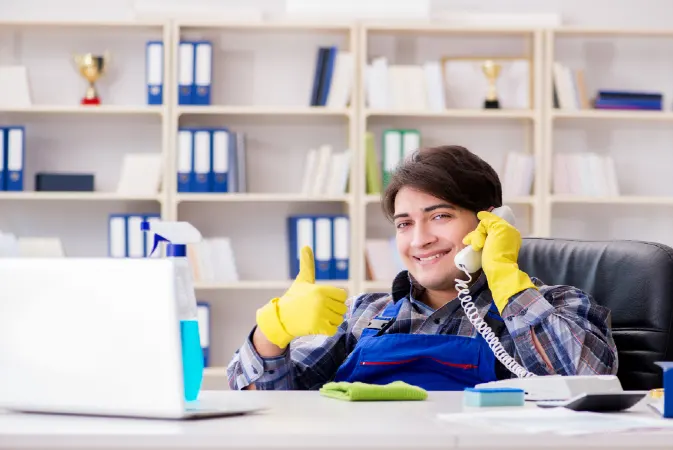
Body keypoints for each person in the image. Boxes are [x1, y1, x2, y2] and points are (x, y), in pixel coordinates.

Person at [227, 145, 619, 391]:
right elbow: (270, 408)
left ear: (492, 222)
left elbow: (590, 385)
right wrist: (272, 332)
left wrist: (505, 279)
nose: (419, 240)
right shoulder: (365, 314)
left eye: (440, 216)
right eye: (404, 224)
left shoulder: (560, 306)